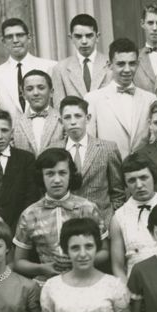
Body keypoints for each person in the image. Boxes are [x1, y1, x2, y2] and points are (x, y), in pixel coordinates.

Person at [13, 147, 109, 284]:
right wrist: (42, 268)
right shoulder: (30, 214)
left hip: (86, 280)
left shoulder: (88, 208)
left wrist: (81, 260)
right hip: (47, 283)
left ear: (70, 175)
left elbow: (105, 251)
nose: (57, 180)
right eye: (50, 174)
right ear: (41, 176)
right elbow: (19, 262)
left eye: (62, 173)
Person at [110, 156, 157, 284]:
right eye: (131, 180)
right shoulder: (119, 218)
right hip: (137, 287)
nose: (139, 185)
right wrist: (129, 293)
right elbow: (118, 267)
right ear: (125, 184)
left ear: (153, 177)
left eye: (144, 177)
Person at [59, 96, 126, 228]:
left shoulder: (107, 149)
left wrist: (112, 223)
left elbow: (118, 193)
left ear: (88, 118)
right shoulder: (54, 150)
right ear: (61, 121)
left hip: (101, 223)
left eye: (78, 116)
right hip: (65, 224)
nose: (73, 122)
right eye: (67, 117)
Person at [86, 38, 157, 161]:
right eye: (121, 64)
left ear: (138, 64)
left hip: (141, 173)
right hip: (109, 172)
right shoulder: (93, 99)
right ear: (110, 65)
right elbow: (90, 144)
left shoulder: (150, 99)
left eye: (132, 63)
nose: (127, 70)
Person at [0, 18, 57, 118]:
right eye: (9, 37)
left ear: (29, 38)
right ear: (3, 42)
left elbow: (58, 105)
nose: (15, 40)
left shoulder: (50, 67)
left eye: (20, 35)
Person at [52, 13, 111, 102]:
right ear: (71, 38)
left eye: (89, 35)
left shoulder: (110, 64)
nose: (84, 41)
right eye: (78, 36)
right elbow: (59, 105)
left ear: (97, 37)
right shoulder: (60, 69)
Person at [10, 69, 65, 156]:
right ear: (23, 95)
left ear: (51, 92)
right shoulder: (15, 123)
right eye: (29, 89)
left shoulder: (62, 120)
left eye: (41, 88)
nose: (35, 93)